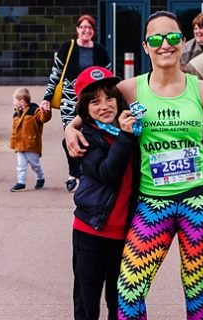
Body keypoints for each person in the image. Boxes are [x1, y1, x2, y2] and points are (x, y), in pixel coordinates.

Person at [65, 11, 203, 320]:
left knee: (199, 294)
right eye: (156, 39)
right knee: (129, 291)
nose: (166, 44)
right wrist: (71, 128)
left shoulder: (201, 90)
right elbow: (93, 107)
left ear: (183, 42)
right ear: (145, 46)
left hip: (199, 201)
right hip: (152, 204)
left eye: (173, 38)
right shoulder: (130, 89)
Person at [69, 66, 136, 320]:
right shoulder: (85, 137)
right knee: (87, 301)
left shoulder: (128, 129)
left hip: (125, 234)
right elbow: (108, 172)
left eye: (109, 98)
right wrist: (126, 138)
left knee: (118, 300)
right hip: (91, 232)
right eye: (95, 101)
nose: (105, 106)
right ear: (85, 109)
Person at [41, 14, 112, 193]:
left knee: (89, 135)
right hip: (69, 100)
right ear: (77, 29)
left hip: (92, 102)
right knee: (70, 135)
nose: (86, 30)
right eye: (83, 27)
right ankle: (73, 173)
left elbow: (108, 77)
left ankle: (87, 171)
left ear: (94, 31)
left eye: (90, 27)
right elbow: (55, 74)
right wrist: (46, 98)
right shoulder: (67, 48)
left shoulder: (101, 51)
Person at [10, 88, 51, 192]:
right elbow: (15, 131)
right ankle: (21, 182)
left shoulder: (34, 111)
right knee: (21, 165)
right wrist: (13, 143)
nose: (13, 103)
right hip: (20, 145)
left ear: (22, 102)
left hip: (31, 144)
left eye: (15, 100)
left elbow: (43, 118)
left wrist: (46, 111)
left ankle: (40, 177)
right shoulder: (16, 114)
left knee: (35, 165)